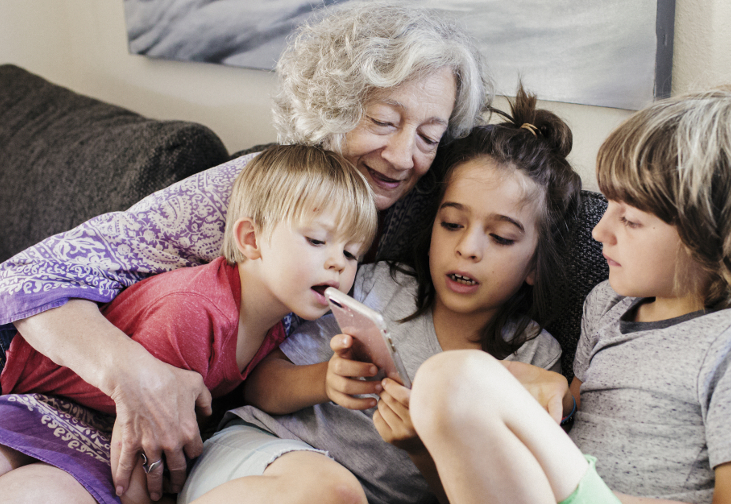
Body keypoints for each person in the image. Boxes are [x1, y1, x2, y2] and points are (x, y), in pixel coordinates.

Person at [0, 1, 493, 501]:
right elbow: (26, 281)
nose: (404, 155)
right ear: (333, 109)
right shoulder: (249, 191)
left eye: (429, 135)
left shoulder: (391, 212)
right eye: (384, 121)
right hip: (8, 337)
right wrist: (139, 377)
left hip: (75, 386)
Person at [409, 86, 731, 504]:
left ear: (710, 236)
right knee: (449, 390)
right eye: (607, 209)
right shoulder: (607, 304)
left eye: (631, 220)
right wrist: (557, 392)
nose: (601, 232)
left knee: (455, 378)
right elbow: (583, 415)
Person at [0, 144, 378, 504]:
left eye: (352, 252)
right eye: (317, 241)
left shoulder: (280, 318)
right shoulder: (195, 313)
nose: (339, 264)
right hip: (13, 359)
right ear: (250, 239)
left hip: (66, 395)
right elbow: (144, 452)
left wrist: (327, 380)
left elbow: (256, 391)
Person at [175, 87, 582, 504]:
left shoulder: (532, 360)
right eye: (452, 224)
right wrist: (324, 379)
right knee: (331, 491)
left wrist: (418, 449)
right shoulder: (375, 287)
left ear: (535, 264)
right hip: (259, 453)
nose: (469, 248)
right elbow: (258, 386)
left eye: (500, 237)